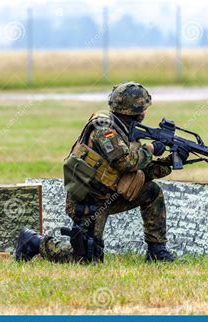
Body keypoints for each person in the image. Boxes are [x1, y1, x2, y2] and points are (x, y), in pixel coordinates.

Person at [16, 82, 189, 263]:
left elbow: (141, 172)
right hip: (88, 201)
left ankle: (157, 252)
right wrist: (151, 149)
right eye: (144, 108)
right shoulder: (103, 128)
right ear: (136, 111)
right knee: (86, 260)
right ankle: (33, 242)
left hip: (108, 195)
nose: (145, 113)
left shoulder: (125, 132)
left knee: (151, 192)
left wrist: (169, 162)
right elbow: (125, 162)